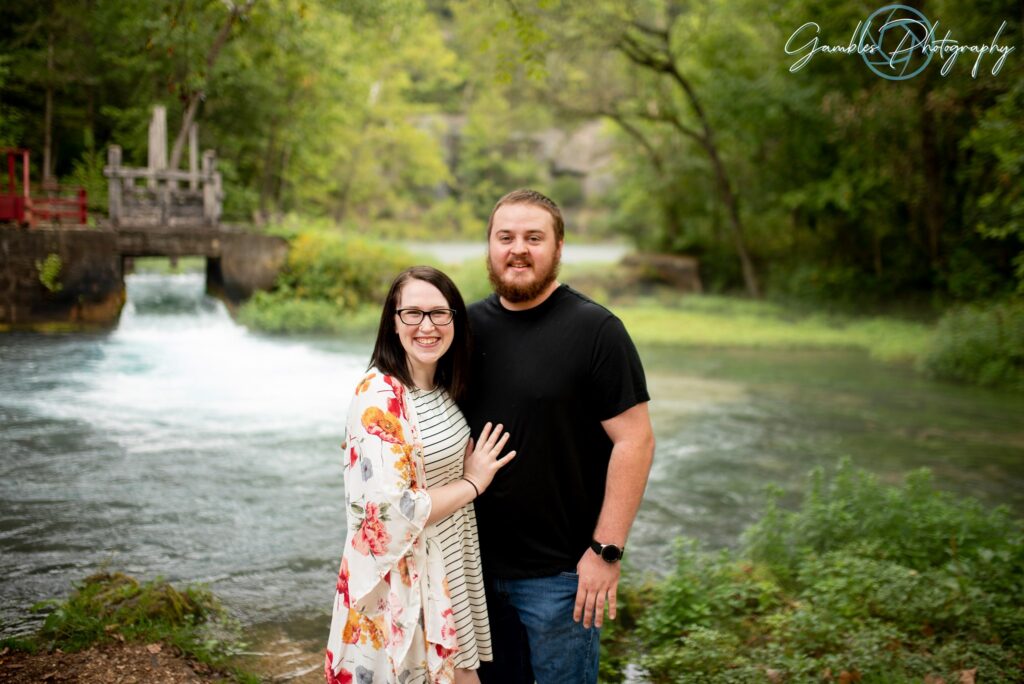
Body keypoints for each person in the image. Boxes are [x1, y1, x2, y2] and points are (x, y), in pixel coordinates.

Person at [463, 189, 655, 684]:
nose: (518, 249)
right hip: (469, 573)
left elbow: (635, 441)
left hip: (558, 580)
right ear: (489, 246)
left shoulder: (597, 330)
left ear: (559, 247)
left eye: (534, 237)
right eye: (505, 237)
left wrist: (606, 552)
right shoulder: (464, 328)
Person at [325, 265, 517, 684]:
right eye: (412, 313)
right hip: (407, 585)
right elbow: (393, 510)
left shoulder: (441, 385)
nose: (426, 326)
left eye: (438, 313)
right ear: (393, 323)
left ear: (455, 321)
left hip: (450, 569)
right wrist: (473, 483)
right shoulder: (379, 394)